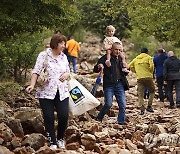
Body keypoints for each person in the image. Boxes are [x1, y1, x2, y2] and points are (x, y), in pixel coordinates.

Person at [26, 34, 70, 149]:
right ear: (55, 43)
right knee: (49, 117)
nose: (64, 46)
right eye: (62, 44)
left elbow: (68, 71)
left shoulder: (64, 57)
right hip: (46, 92)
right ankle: (53, 142)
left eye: (64, 44)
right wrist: (32, 84)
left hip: (62, 91)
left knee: (64, 116)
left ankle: (60, 138)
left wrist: (66, 74)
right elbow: (36, 70)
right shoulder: (44, 55)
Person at [94, 42, 128, 125]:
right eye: (116, 49)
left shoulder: (121, 58)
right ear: (112, 49)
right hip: (109, 84)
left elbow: (124, 71)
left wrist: (126, 69)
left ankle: (121, 121)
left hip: (120, 84)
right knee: (108, 103)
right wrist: (100, 66)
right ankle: (99, 117)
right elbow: (95, 69)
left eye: (120, 50)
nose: (118, 51)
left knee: (123, 104)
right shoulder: (105, 57)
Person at [129, 48, 155, 115]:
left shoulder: (136, 59)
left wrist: (135, 71)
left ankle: (142, 109)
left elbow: (129, 66)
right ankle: (149, 106)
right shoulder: (149, 58)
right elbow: (152, 66)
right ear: (147, 52)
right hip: (148, 77)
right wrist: (150, 72)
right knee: (152, 91)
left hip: (139, 78)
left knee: (140, 94)